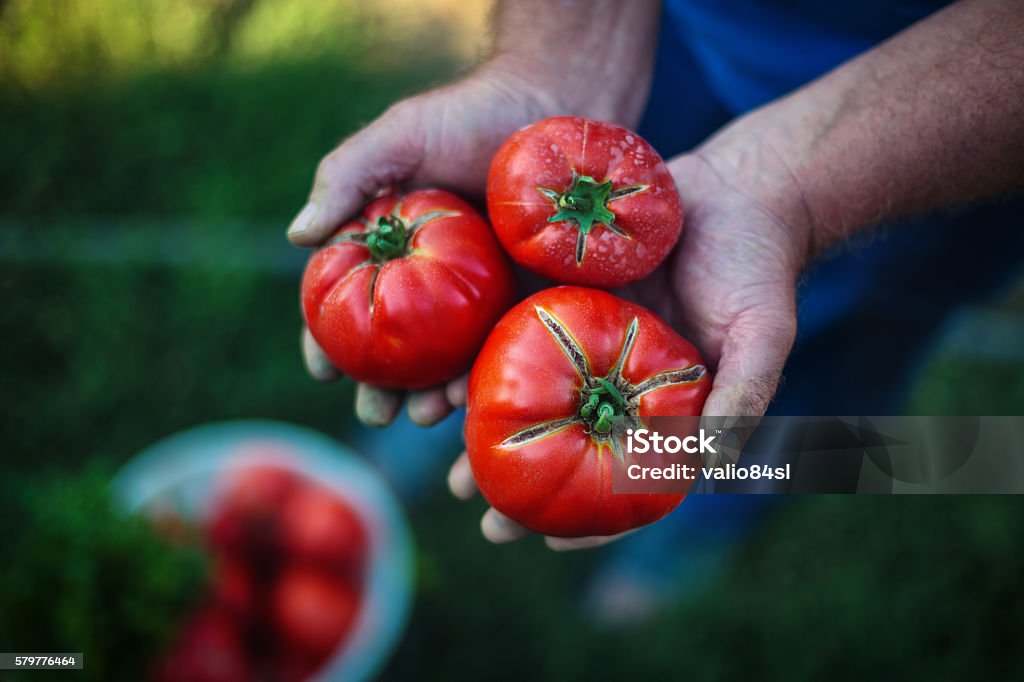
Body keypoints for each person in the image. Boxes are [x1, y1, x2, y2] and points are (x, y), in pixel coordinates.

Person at [286, 0, 1024, 549]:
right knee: (722, 387)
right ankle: (469, 409)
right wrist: (562, 53)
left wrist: (796, 190)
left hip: (951, 137)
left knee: (824, 370)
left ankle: (703, 521)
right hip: (680, 29)